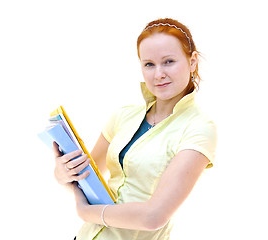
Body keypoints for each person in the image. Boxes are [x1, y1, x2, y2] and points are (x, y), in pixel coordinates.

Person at [53, 18, 217, 240]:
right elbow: (88, 177)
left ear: (193, 61)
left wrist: (88, 212)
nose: (158, 74)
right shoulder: (123, 116)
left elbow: (154, 216)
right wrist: (64, 174)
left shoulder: (198, 128)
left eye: (169, 61)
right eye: (149, 64)